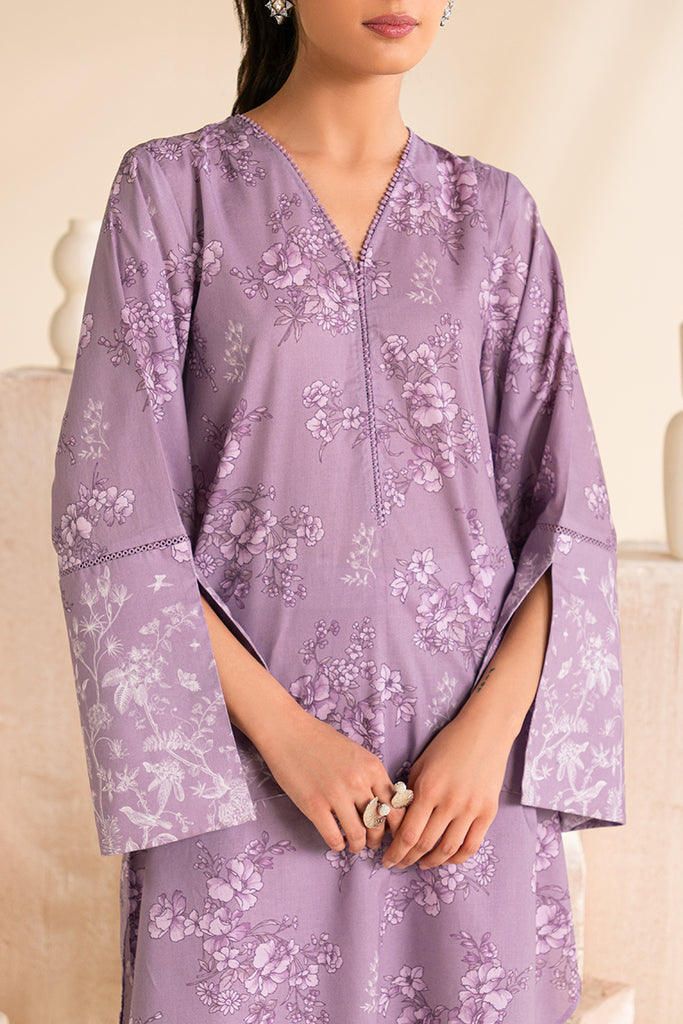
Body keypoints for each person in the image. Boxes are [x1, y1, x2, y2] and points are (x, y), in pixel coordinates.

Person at [52, 2, 625, 1022]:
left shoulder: (495, 218)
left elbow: (568, 517)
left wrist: (485, 737)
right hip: (239, 774)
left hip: (461, 796)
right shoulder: (174, 194)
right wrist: (285, 735)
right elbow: (114, 512)